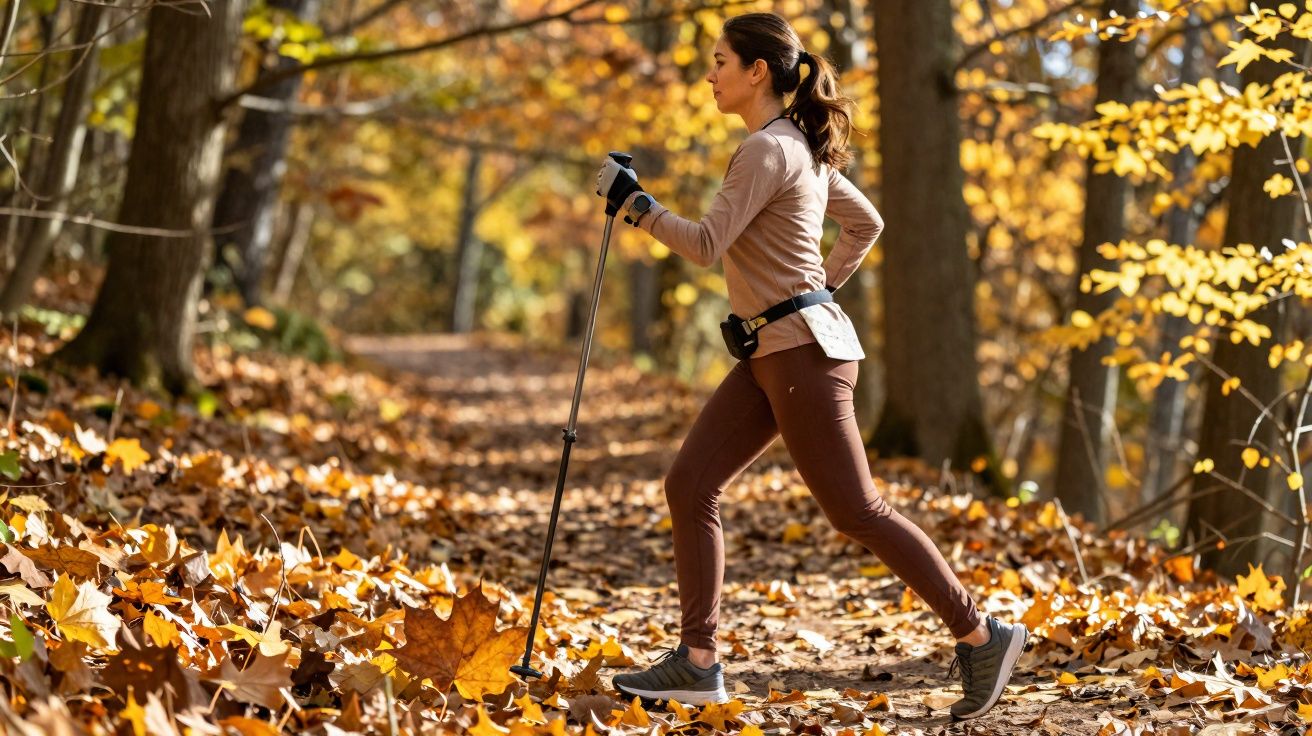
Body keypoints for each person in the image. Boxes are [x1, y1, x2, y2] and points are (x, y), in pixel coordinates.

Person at [593, 12, 1027, 722]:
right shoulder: (799, 146)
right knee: (690, 484)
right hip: (775, 350)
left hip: (802, 355)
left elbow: (705, 245)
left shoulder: (766, 150)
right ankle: (698, 662)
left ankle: (982, 634)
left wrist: (635, 207)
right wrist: (813, 291)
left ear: (757, 71)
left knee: (857, 510)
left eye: (720, 61)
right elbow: (866, 224)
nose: (710, 75)